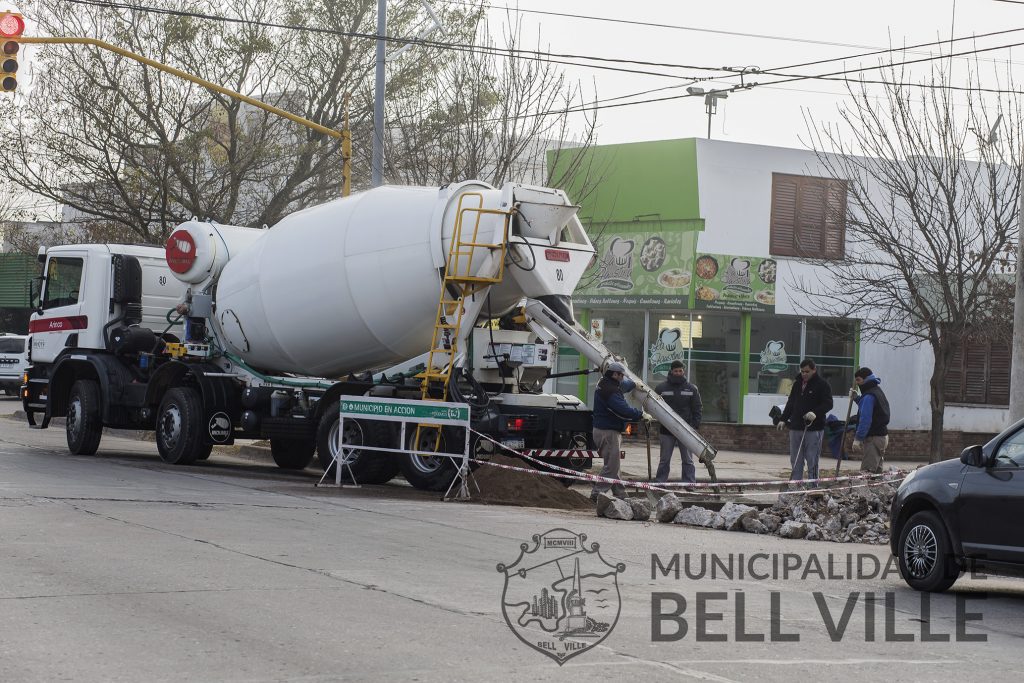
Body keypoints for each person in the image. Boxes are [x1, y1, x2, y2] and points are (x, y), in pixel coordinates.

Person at [590, 361, 646, 500]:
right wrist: (640, 414)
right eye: (622, 376)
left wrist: (633, 384)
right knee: (611, 467)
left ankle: (620, 494)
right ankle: (597, 494)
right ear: (615, 374)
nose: (623, 378)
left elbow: (623, 385)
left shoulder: (604, 382)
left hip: (602, 429)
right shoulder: (610, 391)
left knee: (614, 466)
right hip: (608, 432)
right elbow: (623, 410)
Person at [776, 358, 833, 481]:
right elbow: (791, 402)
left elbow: (828, 403)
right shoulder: (797, 383)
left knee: (812, 458)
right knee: (796, 459)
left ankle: (813, 485)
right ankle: (796, 484)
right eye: (802, 371)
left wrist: (815, 412)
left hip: (813, 428)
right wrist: (783, 419)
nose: (804, 374)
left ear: (814, 370)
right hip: (796, 426)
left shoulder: (822, 384)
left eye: (807, 371)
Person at [653, 360, 703, 483]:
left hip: (686, 430)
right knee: (664, 459)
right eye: (676, 371)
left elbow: (697, 408)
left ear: (683, 371)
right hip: (666, 430)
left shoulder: (691, 388)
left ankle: (689, 483)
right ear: (671, 371)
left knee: (688, 459)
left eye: (680, 371)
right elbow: (655, 407)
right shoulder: (661, 388)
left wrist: (694, 426)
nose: (678, 373)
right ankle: (660, 482)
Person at [850, 367, 890, 473]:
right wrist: (857, 398)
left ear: (866, 379)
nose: (857, 383)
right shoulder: (877, 391)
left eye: (858, 380)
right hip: (882, 436)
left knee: (867, 473)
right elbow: (873, 409)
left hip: (874, 438)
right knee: (876, 472)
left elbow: (865, 420)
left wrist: (858, 438)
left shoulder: (868, 396)